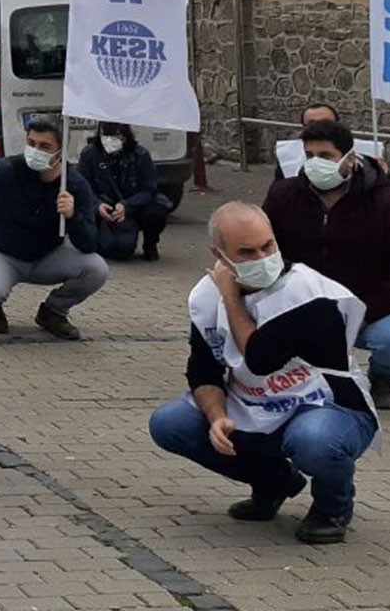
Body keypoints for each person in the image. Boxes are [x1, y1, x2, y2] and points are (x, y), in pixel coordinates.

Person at [148, 202, 378, 544]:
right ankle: (275, 481)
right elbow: (202, 370)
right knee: (170, 423)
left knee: (313, 441)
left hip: (328, 407)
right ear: (220, 255)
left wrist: (231, 299)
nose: (261, 257)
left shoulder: (309, 294)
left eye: (267, 246)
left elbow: (259, 358)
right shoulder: (204, 297)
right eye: (246, 251)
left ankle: (333, 507)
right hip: (256, 406)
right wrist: (216, 417)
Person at [263, 119, 390, 410]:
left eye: (325, 156)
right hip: (304, 304)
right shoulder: (283, 195)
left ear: (350, 159)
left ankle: (385, 378)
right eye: (309, 155)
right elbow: (268, 251)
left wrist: (360, 312)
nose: (315, 163)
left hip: (370, 307)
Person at [0, 115, 108, 340]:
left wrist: (72, 216)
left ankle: (53, 312)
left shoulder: (74, 184)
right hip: (2, 253)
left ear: (60, 150)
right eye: (31, 143)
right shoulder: (5, 170)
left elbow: (89, 243)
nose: (35, 150)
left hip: (47, 255)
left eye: (44, 146)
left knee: (97, 269)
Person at [78, 121, 171, 262]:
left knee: (157, 210)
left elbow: (149, 189)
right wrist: (97, 205)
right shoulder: (89, 154)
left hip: (132, 205)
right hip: (102, 206)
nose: (110, 141)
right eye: (106, 135)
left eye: (115, 136)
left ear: (125, 136)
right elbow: (82, 187)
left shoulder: (140, 155)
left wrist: (127, 206)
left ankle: (150, 244)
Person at [271, 102, 342, 185]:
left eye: (325, 123)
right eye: (312, 124)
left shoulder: (357, 155)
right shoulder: (288, 157)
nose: (319, 129)